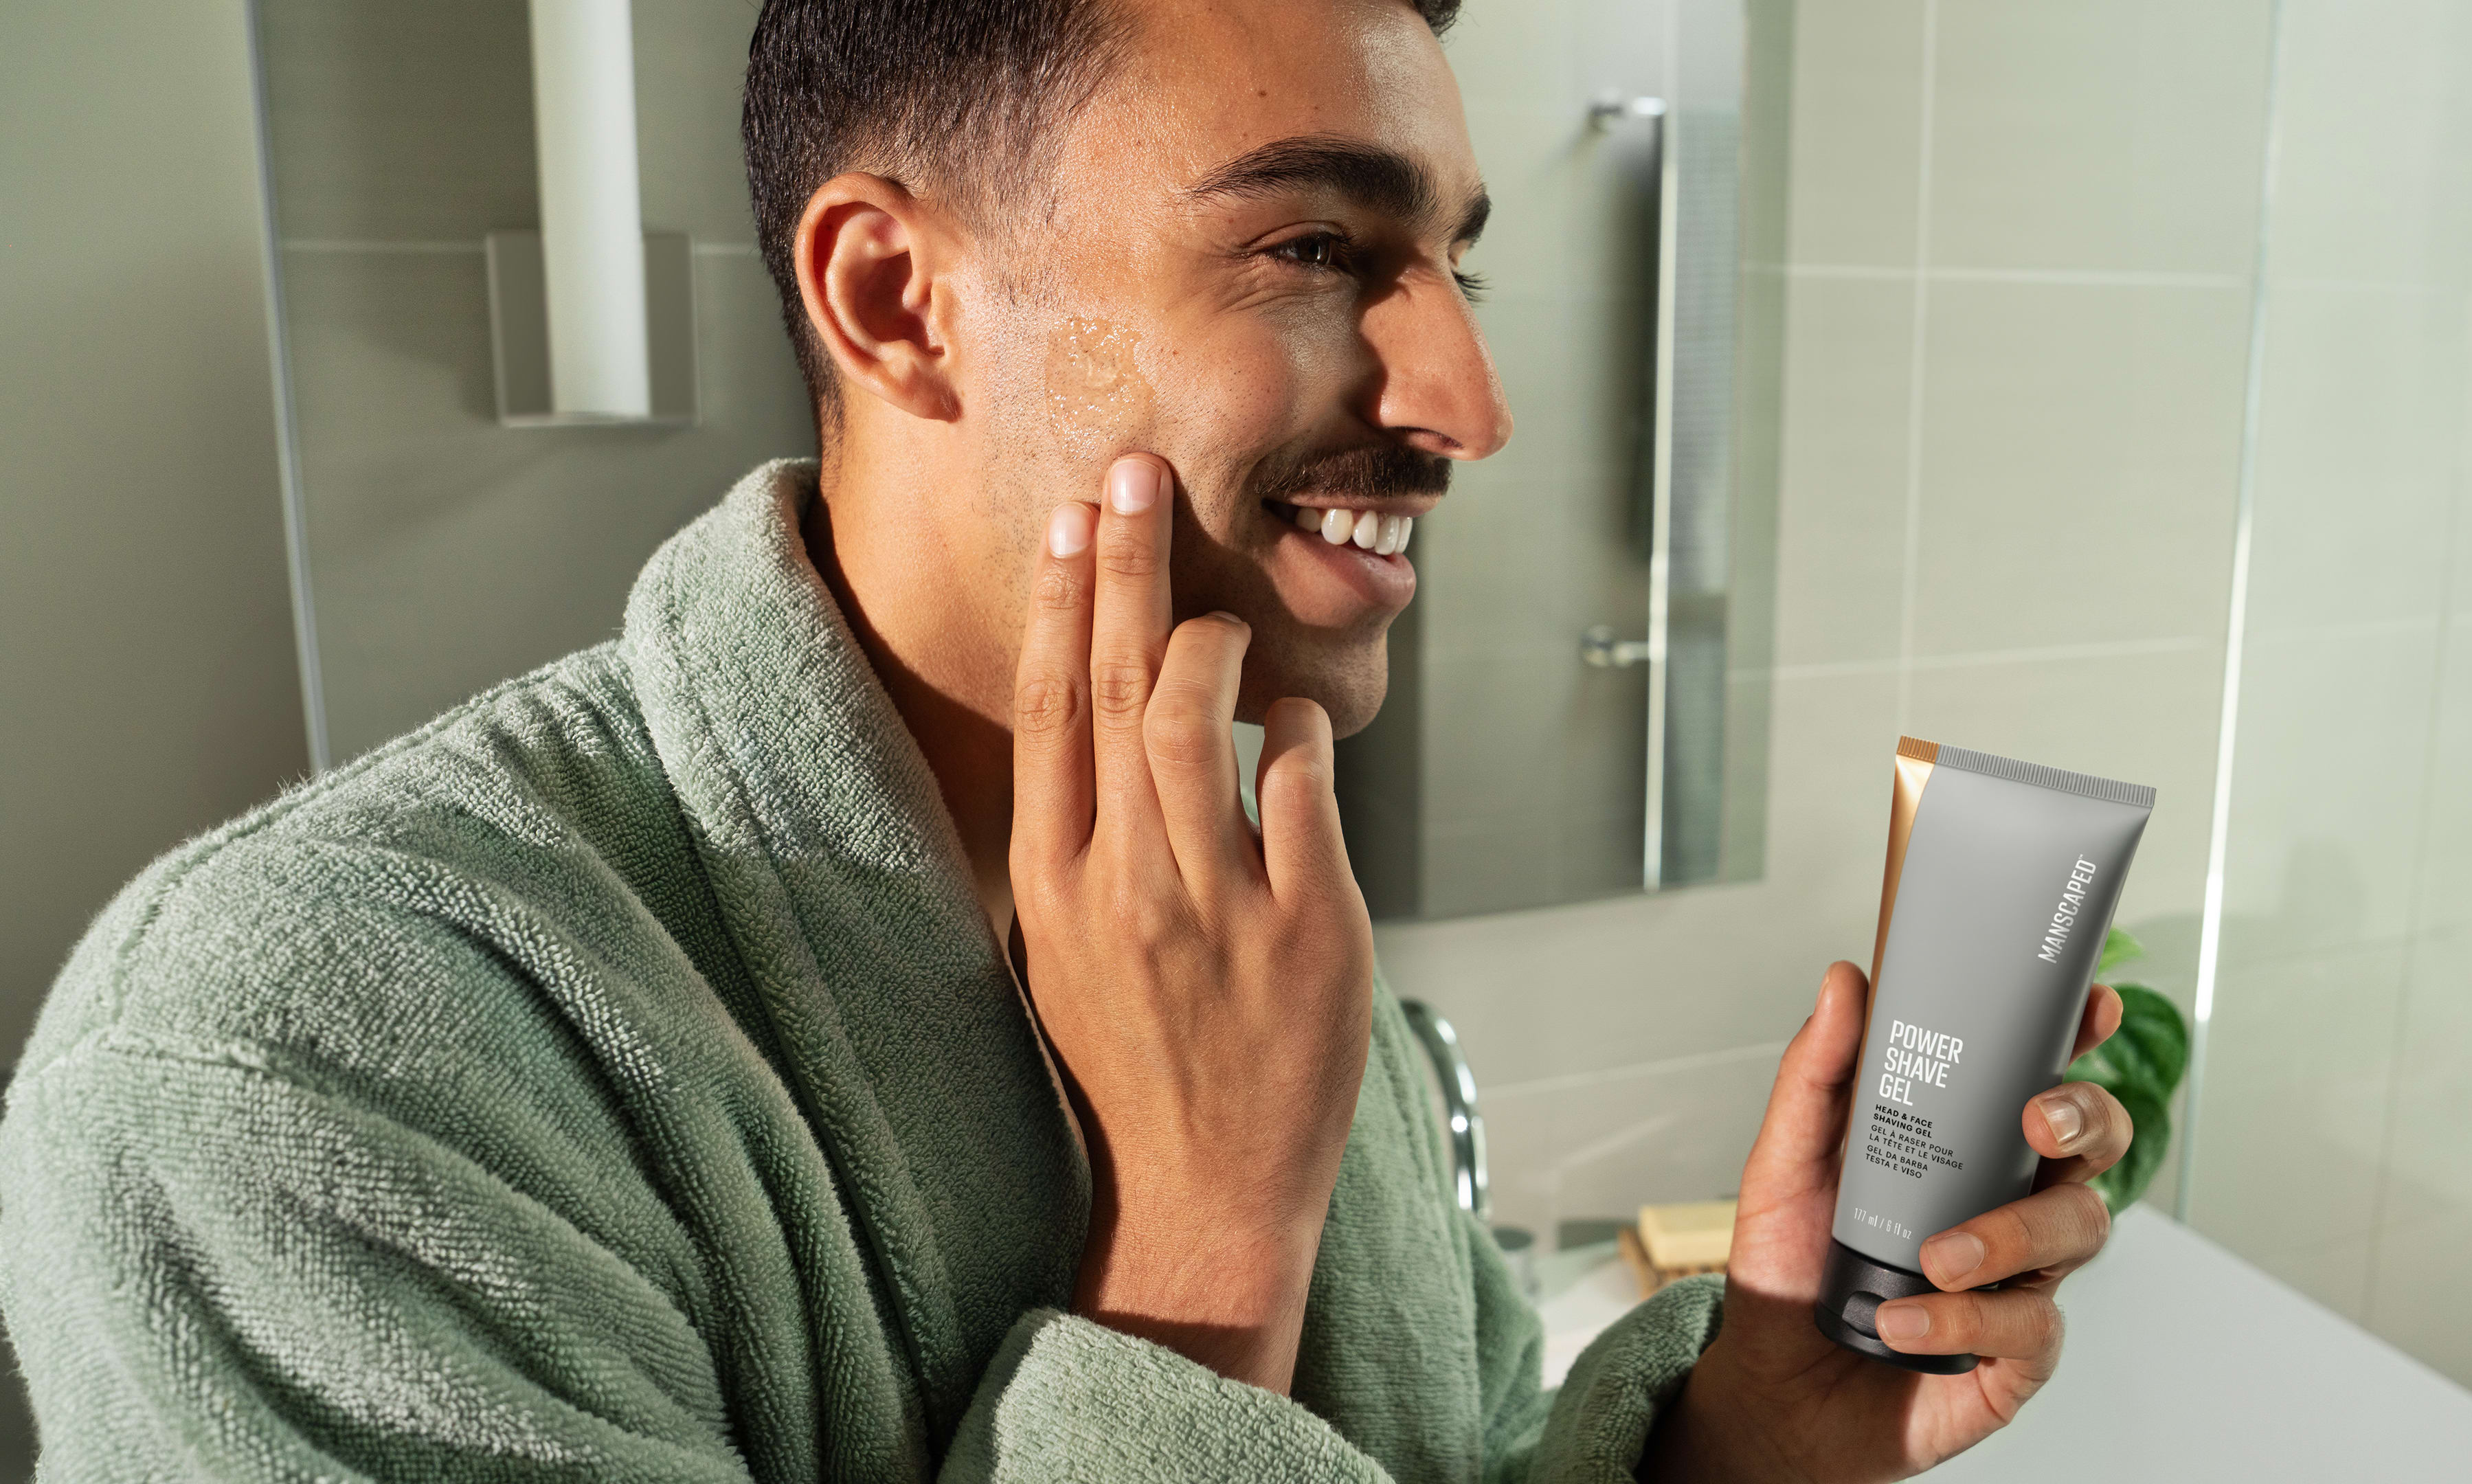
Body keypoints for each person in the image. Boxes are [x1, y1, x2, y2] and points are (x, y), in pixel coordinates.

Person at [0, 0, 2131, 1477]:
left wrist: (1746, 1441)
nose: (1474, 405)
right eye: (1316, 245)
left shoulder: (1246, 919)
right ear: (896, 300)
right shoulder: (289, 1077)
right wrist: (1202, 1248)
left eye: (1453, 263)